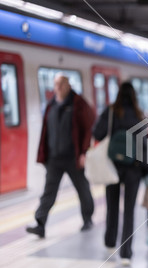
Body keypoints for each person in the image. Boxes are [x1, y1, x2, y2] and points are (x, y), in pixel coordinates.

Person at [27, 74, 95, 238]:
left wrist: (84, 152)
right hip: (54, 158)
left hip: (73, 156)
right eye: (56, 85)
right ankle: (40, 223)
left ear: (68, 85)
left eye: (61, 84)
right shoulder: (51, 104)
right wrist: (44, 154)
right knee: (48, 191)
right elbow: (46, 130)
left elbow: (87, 128)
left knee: (82, 188)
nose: (58, 88)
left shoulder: (78, 103)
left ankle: (87, 219)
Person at [92, 82, 148, 266]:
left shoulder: (110, 112)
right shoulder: (139, 115)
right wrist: (144, 169)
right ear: (134, 96)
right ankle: (126, 253)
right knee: (129, 210)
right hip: (133, 168)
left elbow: (97, 133)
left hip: (112, 167)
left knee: (112, 206)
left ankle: (109, 244)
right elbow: (144, 145)